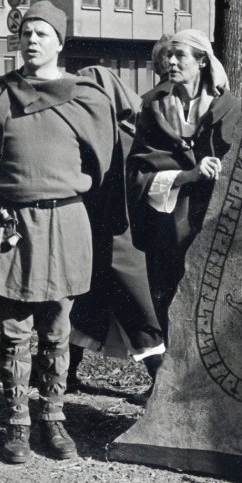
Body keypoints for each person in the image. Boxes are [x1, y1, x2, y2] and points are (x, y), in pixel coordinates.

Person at [0, 1, 114, 464]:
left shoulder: (85, 98)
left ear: (60, 43)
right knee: (13, 330)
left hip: (66, 223)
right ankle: (16, 423)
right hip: (15, 226)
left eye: (42, 34)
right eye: (26, 33)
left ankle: (53, 416)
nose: (31, 40)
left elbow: (101, 163)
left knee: (57, 329)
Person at [126, 30, 240, 342]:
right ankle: (165, 385)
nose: (171, 61)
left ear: (202, 60)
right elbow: (138, 168)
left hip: (211, 224)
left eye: (181, 55)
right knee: (166, 300)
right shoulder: (152, 106)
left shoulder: (231, 109)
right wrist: (187, 175)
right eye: (168, 55)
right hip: (164, 226)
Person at [66, 65, 165, 394]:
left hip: (123, 238)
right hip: (96, 237)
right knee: (83, 309)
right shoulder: (96, 131)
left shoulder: (130, 134)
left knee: (140, 312)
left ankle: (161, 385)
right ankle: (61, 376)